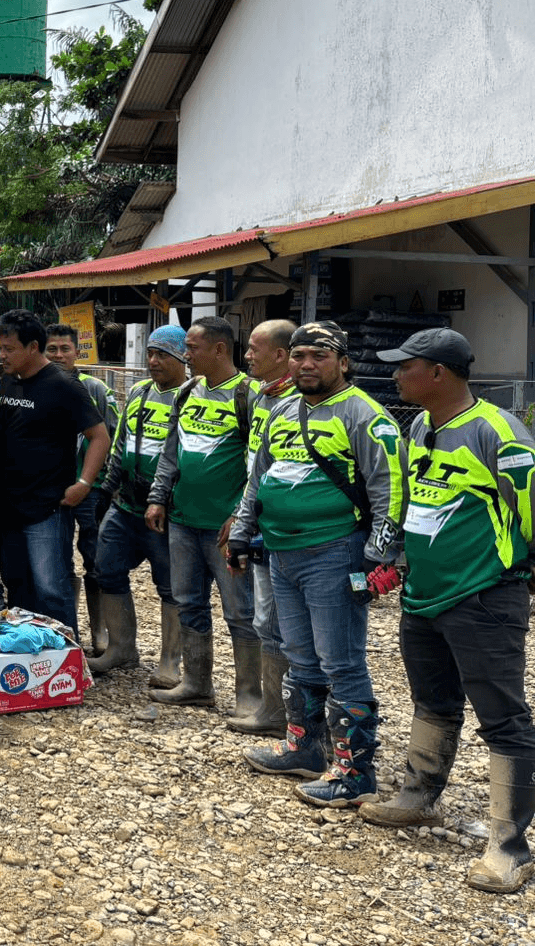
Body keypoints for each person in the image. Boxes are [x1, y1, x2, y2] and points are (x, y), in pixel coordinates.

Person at [358, 329, 535, 893]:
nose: (393, 375)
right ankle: (418, 796)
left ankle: (509, 845)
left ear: (438, 372)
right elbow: (416, 501)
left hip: (483, 595)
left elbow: (529, 507)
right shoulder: (419, 426)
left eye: (404, 366)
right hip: (425, 595)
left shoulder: (497, 430)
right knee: (432, 700)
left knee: (503, 717)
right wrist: (401, 559)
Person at [231, 321, 406, 807]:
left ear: (343, 362)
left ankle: (355, 775)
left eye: (320, 356)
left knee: (342, 663)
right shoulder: (283, 410)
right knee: (300, 655)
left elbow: (390, 490)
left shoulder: (366, 416)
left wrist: (378, 557)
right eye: (300, 356)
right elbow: (257, 481)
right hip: (282, 553)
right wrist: (243, 532)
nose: (307, 365)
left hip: (336, 554)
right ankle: (304, 748)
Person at [146, 317, 257, 712]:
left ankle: (249, 696)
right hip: (183, 519)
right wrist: (158, 497)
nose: (186, 355)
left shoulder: (250, 394)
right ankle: (196, 683)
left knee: (241, 612)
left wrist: (243, 515)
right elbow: (170, 451)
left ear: (219, 349)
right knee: (188, 600)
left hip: (225, 527)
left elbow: (263, 463)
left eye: (192, 348)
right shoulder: (189, 391)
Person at [0, 309, 110, 631]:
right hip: (9, 506)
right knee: (16, 584)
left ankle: (67, 664)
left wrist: (84, 483)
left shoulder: (64, 386)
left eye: (9, 349)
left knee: (51, 589)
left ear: (32, 347)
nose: (2, 355)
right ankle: (30, 660)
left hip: (47, 507)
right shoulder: (7, 382)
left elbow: (100, 437)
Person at [90, 326, 188, 682]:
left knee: (171, 586)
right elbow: (119, 444)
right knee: (107, 569)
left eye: (162, 354)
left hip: (167, 511)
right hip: (126, 505)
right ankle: (121, 648)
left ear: (183, 357)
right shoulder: (138, 392)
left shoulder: (190, 395)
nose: (153, 361)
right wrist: (106, 489)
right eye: (150, 353)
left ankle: (170, 662)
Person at [224, 319, 297, 736]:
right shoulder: (260, 398)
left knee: (291, 626)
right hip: (260, 526)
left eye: (254, 348)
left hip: (296, 536)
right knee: (266, 619)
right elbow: (256, 467)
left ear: (279, 355)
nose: (247, 356)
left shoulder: (302, 403)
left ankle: (300, 715)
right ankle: (274, 710)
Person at [46, 323, 118, 653]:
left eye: (65, 349)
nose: (59, 355)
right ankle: (66, 627)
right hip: (54, 490)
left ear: (77, 352)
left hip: (92, 489)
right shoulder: (37, 387)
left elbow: (113, 437)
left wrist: (96, 483)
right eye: (52, 349)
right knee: (59, 559)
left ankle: (101, 632)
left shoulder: (95, 389)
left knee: (97, 558)